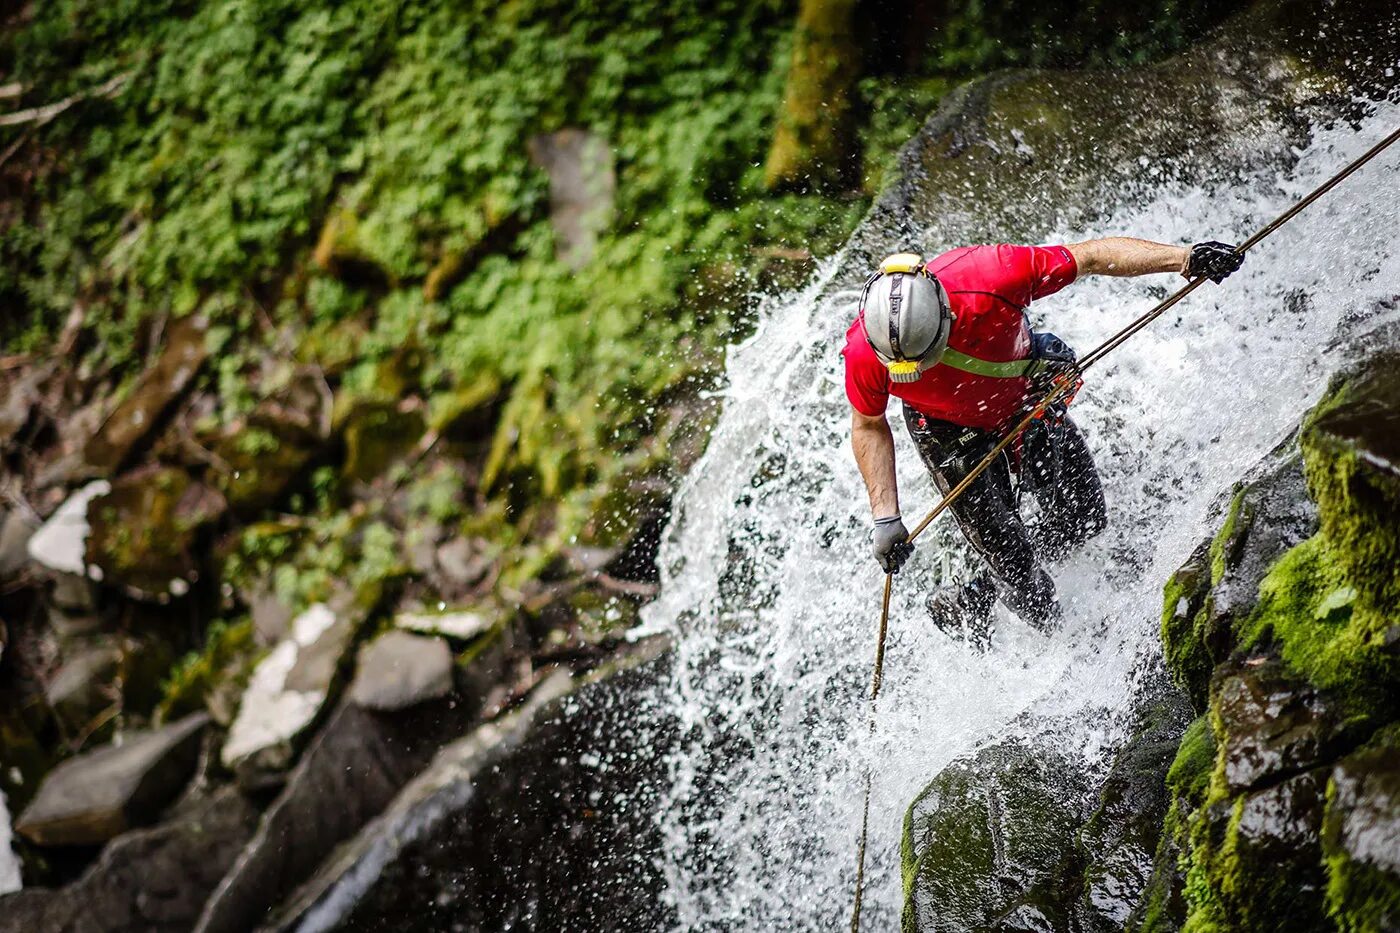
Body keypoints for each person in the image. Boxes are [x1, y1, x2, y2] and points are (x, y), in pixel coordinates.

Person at [843, 238, 1244, 645]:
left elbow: (1090, 257)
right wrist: (886, 519)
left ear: (945, 315)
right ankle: (1068, 646)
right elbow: (869, 425)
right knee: (1021, 574)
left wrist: (1185, 259)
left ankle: (982, 590)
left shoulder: (994, 274)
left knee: (1083, 518)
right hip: (945, 431)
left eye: (923, 359)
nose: (914, 371)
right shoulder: (865, 350)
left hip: (1024, 399)